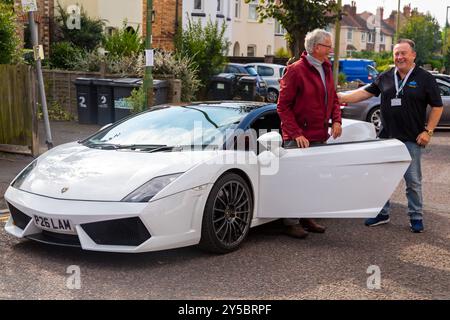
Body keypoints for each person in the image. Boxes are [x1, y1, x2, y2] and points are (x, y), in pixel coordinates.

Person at [337, 39, 443, 233]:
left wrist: (428, 131)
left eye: (403, 53)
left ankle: (416, 217)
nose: (399, 57)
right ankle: (382, 213)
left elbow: (437, 106)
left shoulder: (425, 78)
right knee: (381, 178)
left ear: (413, 56)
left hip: (412, 139)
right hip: (386, 138)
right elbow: (365, 93)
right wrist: (342, 97)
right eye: (396, 54)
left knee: (413, 181)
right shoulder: (386, 76)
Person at [277, 29, 342, 239]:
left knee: (313, 179)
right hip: (299, 138)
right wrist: (296, 134)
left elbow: (332, 97)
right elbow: (282, 106)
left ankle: (306, 217)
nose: (331, 49)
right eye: (328, 46)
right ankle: (291, 222)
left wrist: (337, 120)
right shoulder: (295, 70)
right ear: (316, 48)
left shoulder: (326, 67)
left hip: (319, 135)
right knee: (294, 181)